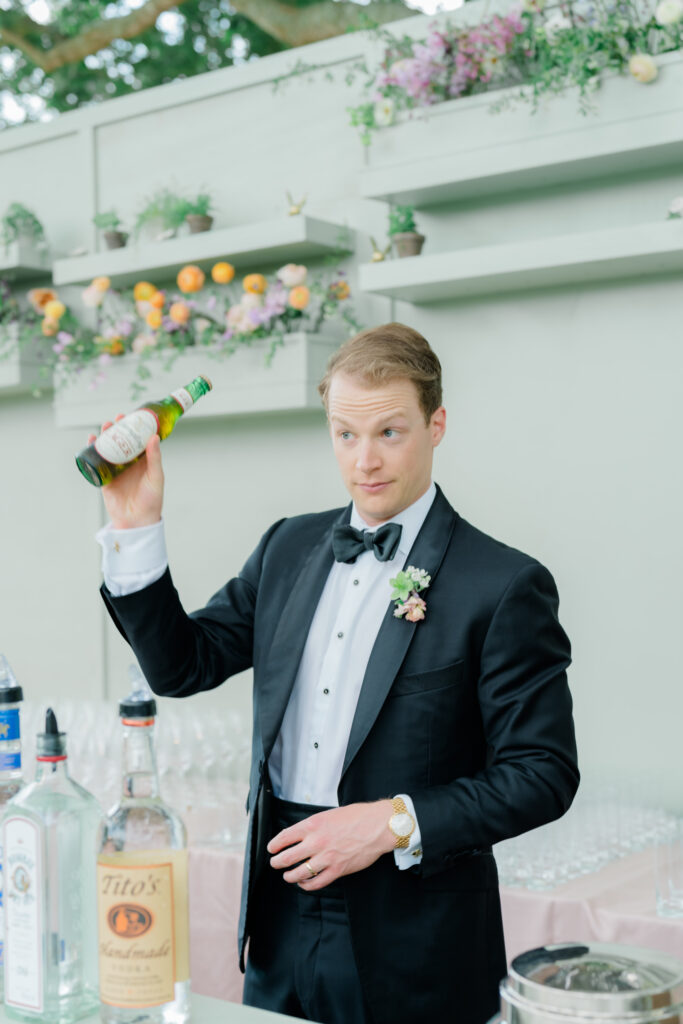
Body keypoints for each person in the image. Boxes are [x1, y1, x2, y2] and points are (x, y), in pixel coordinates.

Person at [95, 322, 579, 1024]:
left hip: (418, 935)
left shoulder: (503, 584)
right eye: (344, 435)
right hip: (279, 908)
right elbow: (182, 667)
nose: (364, 461)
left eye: (389, 432)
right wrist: (136, 525)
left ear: (435, 424)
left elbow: (542, 772)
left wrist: (390, 823)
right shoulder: (288, 546)